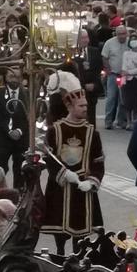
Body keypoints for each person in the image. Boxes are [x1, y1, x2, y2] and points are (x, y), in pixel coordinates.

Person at [39, 88, 104, 251]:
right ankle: (59, 255)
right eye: (81, 106)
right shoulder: (55, 130)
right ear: (70, 107)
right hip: (59, 186)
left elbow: (98, 161)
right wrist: (63, 174)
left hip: (82, 187)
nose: (85, 109)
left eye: (86, 105)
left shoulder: (92, 132)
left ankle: (78, 257)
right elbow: (48, 157)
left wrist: (92, 182)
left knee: (80, 233)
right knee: (59, 230)